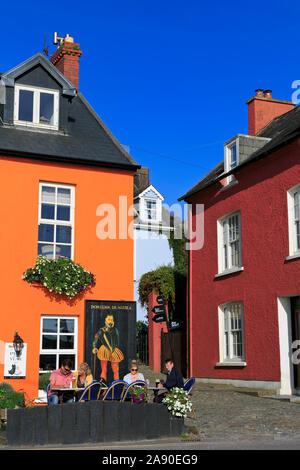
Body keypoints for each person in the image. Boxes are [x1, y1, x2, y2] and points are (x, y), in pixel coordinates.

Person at [92, 314, 124, 383]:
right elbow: (95, 340)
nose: (110, 321)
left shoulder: (115, 330)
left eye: (112, 320)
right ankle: (103, 386)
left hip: (114, 350)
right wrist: (94, 347)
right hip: (104, 350)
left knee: (116, 370)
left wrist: (115, 349)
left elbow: (117, 341)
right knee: (104, 369)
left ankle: (116, 385)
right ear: (105, 321)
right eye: (109, 319)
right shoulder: (101, 331)